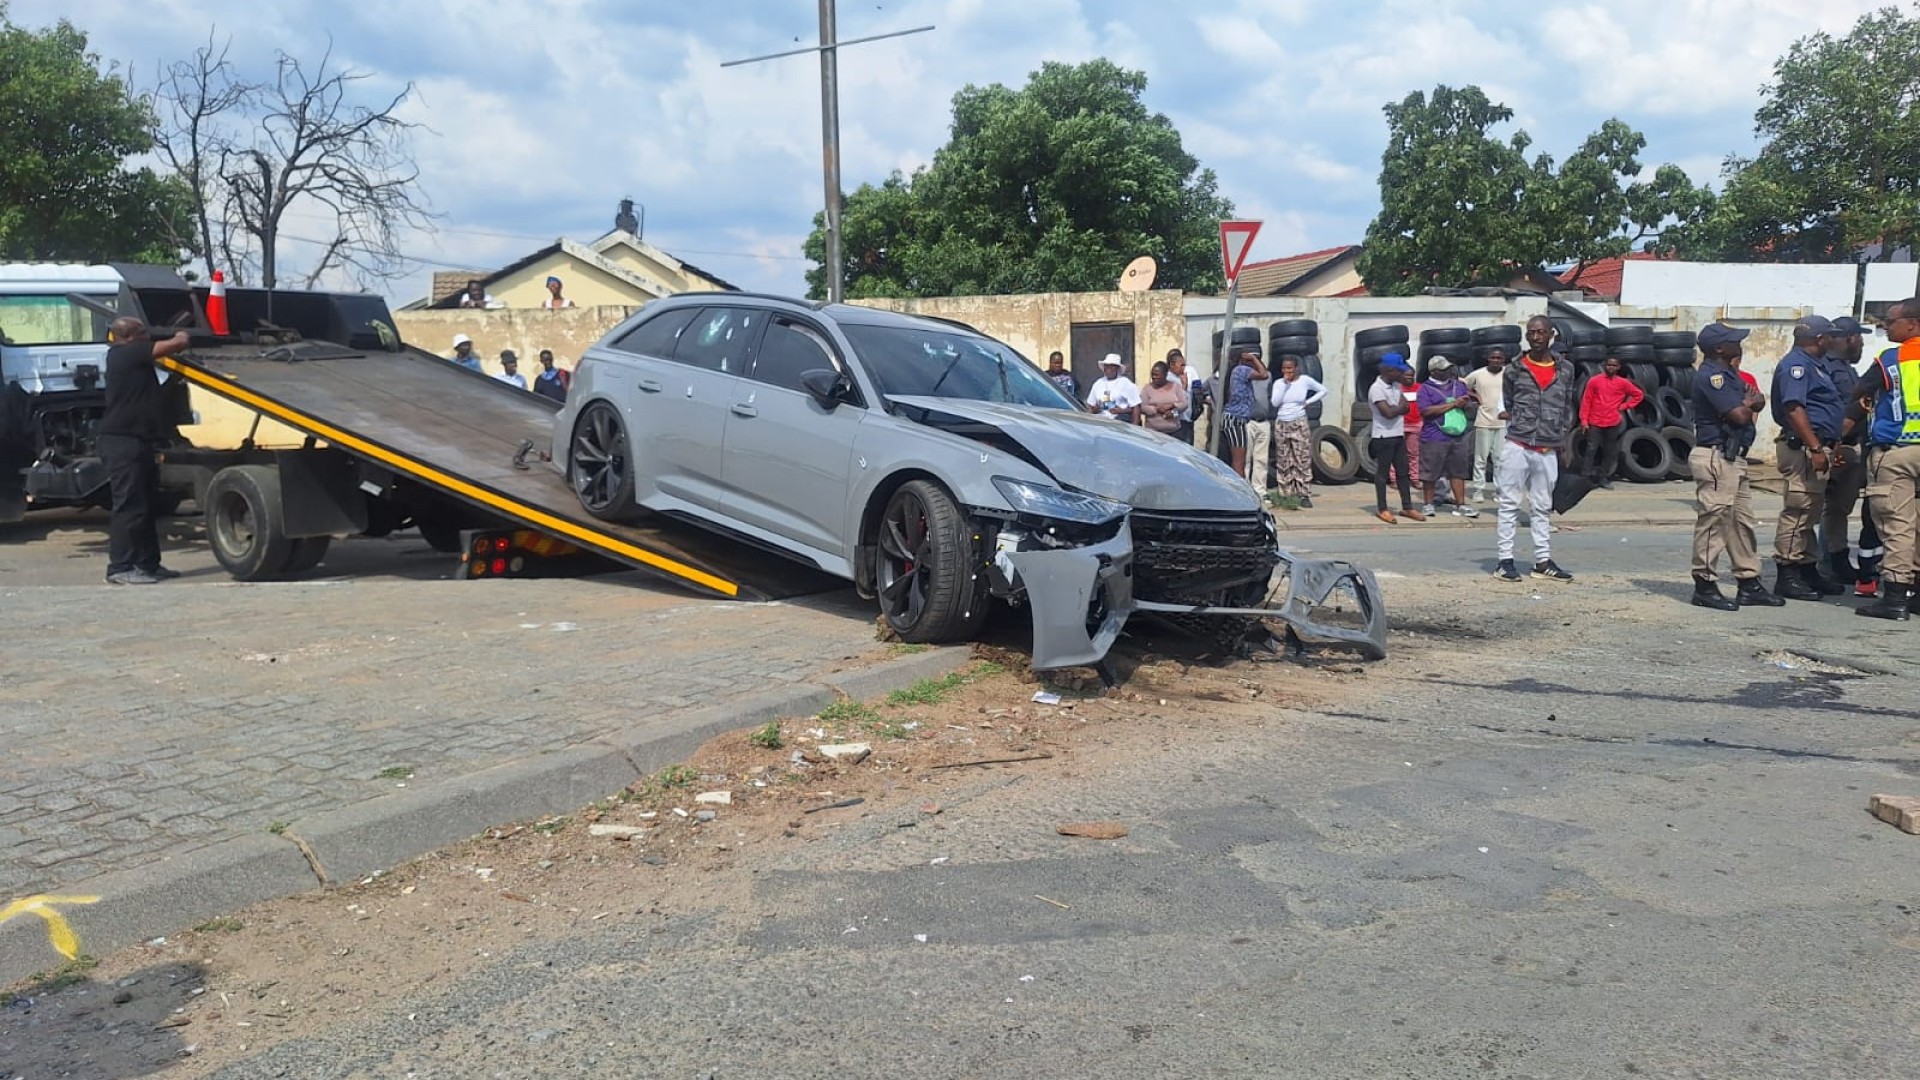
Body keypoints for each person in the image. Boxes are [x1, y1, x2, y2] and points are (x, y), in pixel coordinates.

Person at [1686, 324, 1785, 610]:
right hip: (1716, 456)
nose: (1740, 345)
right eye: (1734, 341)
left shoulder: (1730, 374)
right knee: (1714, 520)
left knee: (1741, 522)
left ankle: (1748, 581)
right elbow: (1740, 414)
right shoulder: (1712, 376)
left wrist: (1751, 402)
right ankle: (1704, 584)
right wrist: (1749, 403)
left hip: (1734, 457)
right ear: (1719, 348)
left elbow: (1757, 400)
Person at [98, 316, 191, 585]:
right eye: (142, 332)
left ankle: (148, 564)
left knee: (145, 506)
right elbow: (176, 344)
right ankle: (120, 567)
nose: (147, 336)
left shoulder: (130, 355)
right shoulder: (123, 354)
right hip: (121, 442)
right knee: (128, 506)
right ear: (129, 337)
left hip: (138, 441)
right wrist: (182, 334)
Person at [1769, 315, 1849, 600]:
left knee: (1810, 512)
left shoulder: (1817, 365)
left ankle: (1806, 568)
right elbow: (1794, 408)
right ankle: (1787, 572)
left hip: (1818, 445)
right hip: (1803, 448)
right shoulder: (1797, 366)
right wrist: (1815, 448)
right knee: (1798, 510)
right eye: (1830, 336)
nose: (1834, 340)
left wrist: (1831, 445)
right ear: (1819, 339)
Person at [1493, 316, 1578, 582]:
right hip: (1518, 443)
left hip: (1548, 447)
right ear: (1526, 336)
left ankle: (1543, 561)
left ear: (1551, 334)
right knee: (1509, 504)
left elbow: (1566, 405)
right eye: (1531, 333)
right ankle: (1505, 561)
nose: (1536, 337)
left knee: (1542, 506)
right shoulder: (1515, 369)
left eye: (1541, 332)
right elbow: (1508, 401)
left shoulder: (1566, 369)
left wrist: (1563, 440)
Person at [1857, 297, 1920, 619]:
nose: (1885, 325)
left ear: (1912, 324)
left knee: (1897, 525)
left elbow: (1858, 390)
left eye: (1891, 321)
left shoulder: (1893, 358)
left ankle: (1895, 596)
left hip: (1898, 449)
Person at [1821, 315, 1869, 588]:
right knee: (1819, 507)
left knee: (1838, 507)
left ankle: (1836, 558)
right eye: (1860, 337)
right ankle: (1825, 562)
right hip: (1835, 443)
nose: (1862, 343)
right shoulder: (1832, 369)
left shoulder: (1845, 368)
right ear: (1850, 338)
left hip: (1848, 445)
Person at [1415, 356, 1478, 518]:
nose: (1449, 371)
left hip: (1458, 435)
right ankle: (1428, 504)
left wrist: (1468, 404)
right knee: (1430, 472)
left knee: (1458, 471)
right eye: (1444, 370)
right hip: (1434, 436)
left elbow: (1468, 407)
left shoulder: (1459, 386)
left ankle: (1461, 504)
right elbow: (1426, 411)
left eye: (1449, 368)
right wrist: (1453, 404)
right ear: (1434, 372)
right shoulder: (1425, 389)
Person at [1367, 354, 1423, 524]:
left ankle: (1407, 506)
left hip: (1398, 433)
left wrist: (1397, 408)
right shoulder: (1376, 389)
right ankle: (1382, 508)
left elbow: (1405, 407)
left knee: (1403, 471)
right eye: (1398, 371)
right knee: (1383, 473)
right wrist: (1399, 408)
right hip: (1383, 435)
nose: (1401, 374)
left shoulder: (1397, 386)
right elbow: (1388, 413)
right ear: (1388, 370)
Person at [1577, 355, 1646, 487]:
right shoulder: (1594, 381)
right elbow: (1586, 401)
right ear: (1605, 365)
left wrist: (1624, 406)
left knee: (1609, 451)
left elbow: (1639, 394)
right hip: (1595, 421)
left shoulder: (1623, 383)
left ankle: (1603, 478)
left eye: (1614, 365)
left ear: (1619, 367)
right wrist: (1584, 420)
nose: (1611, 367)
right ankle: (1584, 478)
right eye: (1609, 365)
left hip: (1613, 421)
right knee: (1591, 449)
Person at [1269, 355, 1328, 506]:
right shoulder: (1278, 383)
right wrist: (1284, 385)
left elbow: (1323, 390)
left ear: (1296, 369)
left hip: (1298, 421)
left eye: (1289, 368)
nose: (1286, 371)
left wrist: (1308, 402)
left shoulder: (1305, 380)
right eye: (1284, 368)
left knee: (1301, 458)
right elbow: (1275, 402)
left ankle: (1303, 493)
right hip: (1282, 421)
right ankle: (1286, 492)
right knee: (1284, 458)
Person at [1463, 345, 1508, 502]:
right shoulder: (1478, 374)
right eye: (1493, 358)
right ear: (1488, 359)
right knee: (1481, 457)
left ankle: (1499, 490)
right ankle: (1478, 490)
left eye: (1499, 358)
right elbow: (1461, 385)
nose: (1496, 361)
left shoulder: (1508, 373)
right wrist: (1474, 395)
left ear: (1503, 360)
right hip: (1483, 420)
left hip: (1502, 422)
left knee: (1499, 459)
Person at [1218, 345, 1268, 485]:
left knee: (1236, 459)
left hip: (1233, 418)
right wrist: (1253, 359)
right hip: (1235, 419)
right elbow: (1264, 374)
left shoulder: (1234, 371)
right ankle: (1240, 491)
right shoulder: (1242, 370)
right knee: (1239, 462)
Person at [1136, 360, 1188, 437]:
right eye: (1152, 374)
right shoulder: (1147, 388)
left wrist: (1173, 408)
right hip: (1153, 433)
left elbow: (1184, 404)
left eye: (1157, 375)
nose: (1154, 377)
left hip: (1174, 432)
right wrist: (1156, 409)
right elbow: (1142, 407)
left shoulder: (1176, 386)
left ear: (1165, 374)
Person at [1085, 354, 1140, 423]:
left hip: (1120, 422)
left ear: (1117, 368)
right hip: (1101, 421)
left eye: (1112, 366)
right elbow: (1090, 406)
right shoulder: (1098, 383)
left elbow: (1136, 406)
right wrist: (1095, 410)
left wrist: (1121, 411)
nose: (1109, 368)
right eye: (1106, 366)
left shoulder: (1125, 383)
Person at [1169, 349, 1206, 445]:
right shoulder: (1167, 378)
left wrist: (1198, 408)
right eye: (1181, 365)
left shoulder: (1190, 371)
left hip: (1188, 418)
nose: (1183, 368)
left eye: (1184, 364)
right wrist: (1184, 385)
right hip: (1174, 420)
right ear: (1172, 364)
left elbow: (1198, 389)